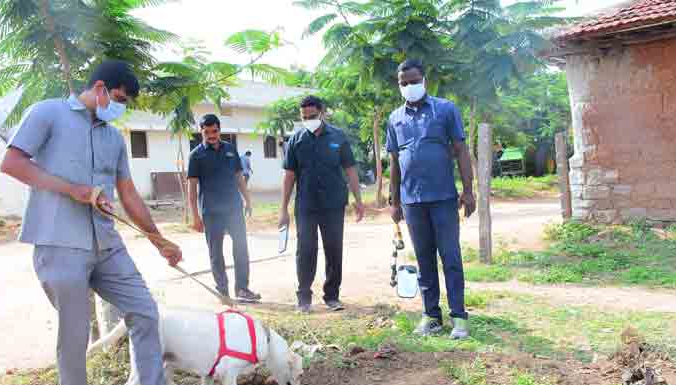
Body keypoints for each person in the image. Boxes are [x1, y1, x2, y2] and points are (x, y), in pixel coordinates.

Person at [0, 60, 207, 385]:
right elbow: (11, 163)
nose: (120, 107)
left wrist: (159, 240)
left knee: (144, 311)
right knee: (75, 332)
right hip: (60, 242)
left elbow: (128, 193)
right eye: (119, 98)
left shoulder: (113, 138)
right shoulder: (48, 113)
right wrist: (72, 189)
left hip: (106, 244)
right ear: (99, 88)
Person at [386, 59, 476, 340]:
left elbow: (460, 150)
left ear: (424, 80)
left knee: (450, 256)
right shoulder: (394, 118)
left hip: (443, 197)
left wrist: (468, 190)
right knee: (424, 259)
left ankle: (459, 317)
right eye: (403, 83)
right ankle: (431, 315)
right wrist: (395, 202)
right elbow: (394, 161)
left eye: (413, 81)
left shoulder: (445, 109)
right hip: (412, 201)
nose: (409, 86)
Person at [279, 95, 365, 313]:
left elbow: (350, 169)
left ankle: (332, 296)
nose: (308, 120)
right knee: (305, 250)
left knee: (333, 249)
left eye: (312, 116)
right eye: (304, 117)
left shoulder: (338, 137)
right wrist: (283, 209)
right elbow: (289, 176)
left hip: (333, 203)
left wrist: (358, 200)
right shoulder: (296, 140)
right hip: (306, 204)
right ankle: (304, 298)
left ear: (322, 113)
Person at [188, 114, 261, 303]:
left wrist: (248, 200)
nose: (211, 135)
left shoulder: (230, 149)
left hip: (234, 209)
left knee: (241, 248)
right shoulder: (195, 155)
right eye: (207, 132)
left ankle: (242, 288)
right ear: (201, 132)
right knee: (216, 253)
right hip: (211, 212)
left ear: (219, 130)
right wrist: (195, 216)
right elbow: (192, 188)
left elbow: (239, 177)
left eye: (214, 131)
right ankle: (223, 290)